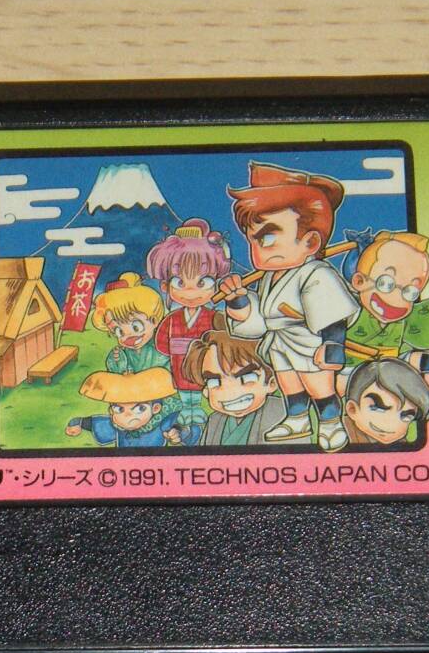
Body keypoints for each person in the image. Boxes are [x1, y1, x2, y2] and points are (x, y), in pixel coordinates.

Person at [218, 162, 359, 452]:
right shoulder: (270, 278)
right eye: (253, 240)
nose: (257, 251)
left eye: (268, 238)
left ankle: (331, 423)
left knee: (318, 385)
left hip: (308, 340)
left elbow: (333, 313)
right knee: (288, 382)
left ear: (310, 241)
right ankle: (297, 418)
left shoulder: (316, 273)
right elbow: (260, 321)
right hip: (280, 340)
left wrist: (333, 345)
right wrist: (239, 301)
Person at [338, 229, 429, 393]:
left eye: (410, 291)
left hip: (389, 363)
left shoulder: (402, 319)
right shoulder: (351, 309)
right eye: (386, 284)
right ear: (359, 281)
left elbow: (424, 333)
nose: (396, 297)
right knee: (344, 383)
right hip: (350, 366)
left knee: (409, 359)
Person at [146, 219, 233, 444]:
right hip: (179, 367)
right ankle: (186, 416)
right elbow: (162, 343)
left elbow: (223, 341)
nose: (191, 291)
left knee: (203, 393)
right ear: (166, 286)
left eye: (202, 282)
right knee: (185, 397)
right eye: (179, 282)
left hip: (205, 367)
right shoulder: (172, 319)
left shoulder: (213, 317)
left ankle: (201, 419)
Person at [181, 329, 286, 446]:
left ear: (272, 382)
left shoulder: (283, 414)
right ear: (206, 392)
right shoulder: (215, 420)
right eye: (215, 382)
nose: (229, 391)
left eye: (246, 378)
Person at [64, 368, 197, 447]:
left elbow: (193, 432)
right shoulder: (118, 426)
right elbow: (97, 424)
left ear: (155, 409)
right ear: (111, 411)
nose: (128, 416)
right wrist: (78, 423)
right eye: (119, 409)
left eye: (140, 409)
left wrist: (181, 433)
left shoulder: (163, 422)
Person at [342, 358, 429, 445]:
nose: (392, 423)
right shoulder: (340, 437)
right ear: (352, 409)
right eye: (379, 409)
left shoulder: (404, 446)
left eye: (406, 416)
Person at [90, 272, 169, 374]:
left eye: (136, 327)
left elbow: (169, 369)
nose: (128, 335)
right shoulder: (124, 352)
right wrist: (118, 361)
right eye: (119, 332)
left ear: (154, 321)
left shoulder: (161, 347)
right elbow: (117, 372)